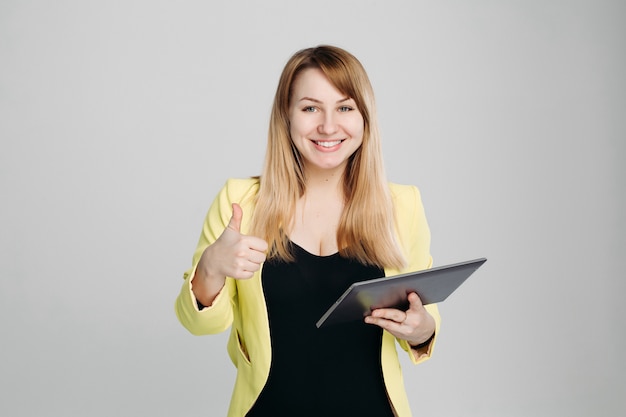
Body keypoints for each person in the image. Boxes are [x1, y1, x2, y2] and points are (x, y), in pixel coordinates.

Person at [175, 45, 440, 417]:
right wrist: (211, 267)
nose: (328, 126)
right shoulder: (241, 202)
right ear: (287, 115)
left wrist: (421, 330)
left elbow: (422, 314)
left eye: (345, 108)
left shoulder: (403, 205)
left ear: (365, 118)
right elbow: (199, 324)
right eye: (310, 108)